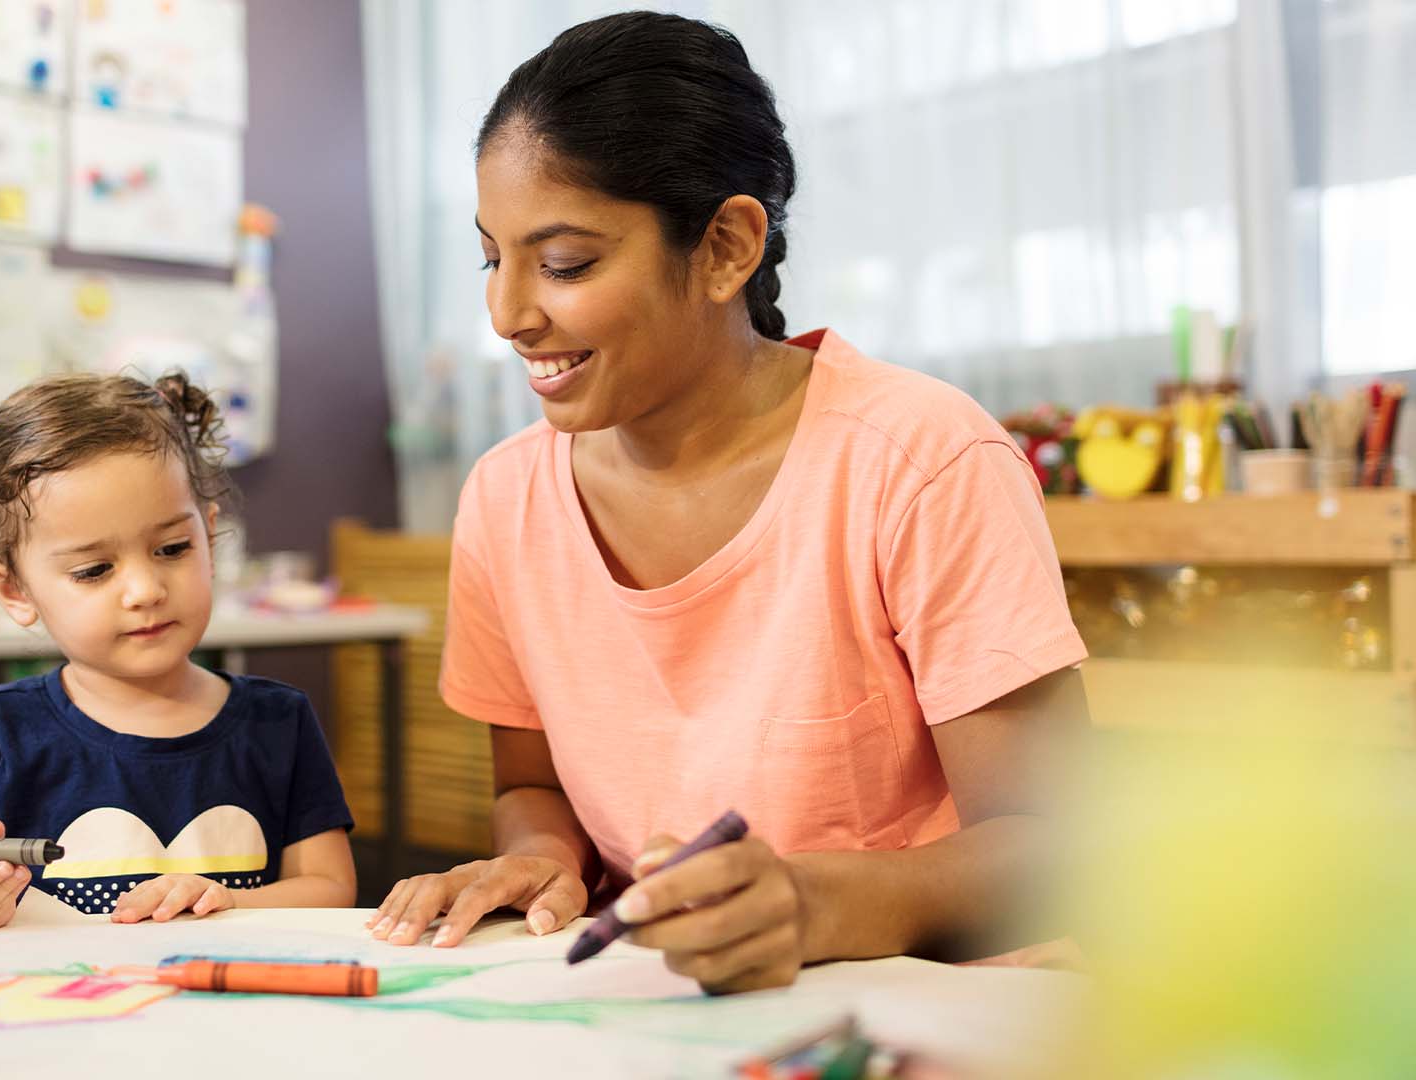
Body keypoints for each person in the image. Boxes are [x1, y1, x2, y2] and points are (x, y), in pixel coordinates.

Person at [368, 12, 1089, 992]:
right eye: (493, 256)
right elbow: (533, 785)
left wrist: (808, 904)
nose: (507, 313)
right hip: (671, 1006)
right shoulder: (505, 499)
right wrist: (543, 857)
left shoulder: (919, 460)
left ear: (725, 248)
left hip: (940, 1004)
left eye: (567, 262)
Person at [0, 372, 356, 931]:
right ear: (14, 591)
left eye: (172, 548)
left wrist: (226, 900)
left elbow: (332, 891)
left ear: (209, 540)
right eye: (94, 570)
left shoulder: (279, 721)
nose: (145, 590)